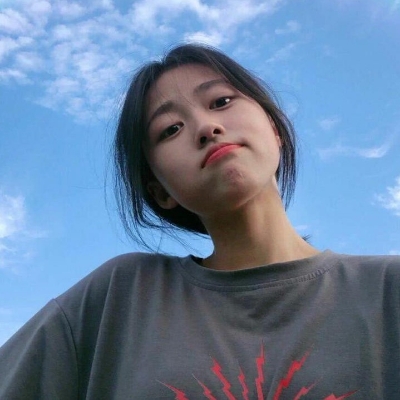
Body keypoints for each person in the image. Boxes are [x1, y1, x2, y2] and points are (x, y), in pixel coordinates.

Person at [0, 43, 399, 399]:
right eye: (170, 129)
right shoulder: (119, 299)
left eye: (221, 101)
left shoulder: (388, 290)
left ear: (275, 129)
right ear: (160, 191)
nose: (207, 128)